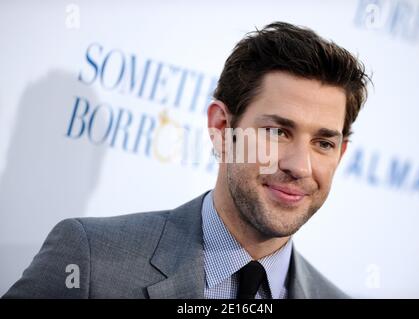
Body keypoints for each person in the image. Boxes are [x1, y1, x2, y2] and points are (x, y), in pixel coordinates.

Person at [3, 21, 370, 299]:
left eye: (323, 143)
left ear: (340, 154)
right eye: (277, 132)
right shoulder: (90, 260)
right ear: (221, 127)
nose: (300, 166)